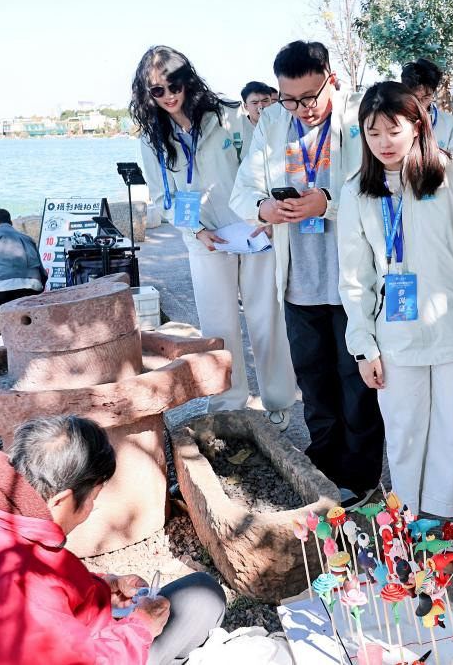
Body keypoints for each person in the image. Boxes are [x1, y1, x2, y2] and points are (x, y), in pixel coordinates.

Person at [0, 415, 226, 665]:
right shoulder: (17, 589)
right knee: (202, 601)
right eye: (93, 497)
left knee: (199, 595)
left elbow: (46, 596)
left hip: (45, 642)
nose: (92, 507)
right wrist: (140, 628)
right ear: (61, 500)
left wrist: (102, 590)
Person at [230, 40, 382, 508]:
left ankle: (361, 477)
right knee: (314, 382)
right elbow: (244, 188)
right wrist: (264, 207)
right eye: (289, 99)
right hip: (299, 279)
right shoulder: (273, 122)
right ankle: (324, 467)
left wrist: (327, 202)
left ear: (331, 80)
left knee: (356, 383)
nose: (301, 109)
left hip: (349, 277)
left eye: (309, 97)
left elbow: (378, 182)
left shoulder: (360, 116)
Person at [337, 82, 453, 517]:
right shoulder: (356, 192)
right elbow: (354, 279)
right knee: (404, 435)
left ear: (417, 125)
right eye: (373, 133)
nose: (384, 143)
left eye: (394, 130)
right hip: (395, 338)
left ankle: (448, 529)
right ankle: (407, 528)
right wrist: (363, 346)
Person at [134, 45, 297, 421]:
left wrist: (264, 216)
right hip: (204, 240)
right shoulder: (151, 137)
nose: (168, 95)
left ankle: (279, 401)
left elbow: (260, 168)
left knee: (266, 319)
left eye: (174, 85)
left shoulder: (228, 115)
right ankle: (226, 403)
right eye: (157, 90)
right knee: (218, 326)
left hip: (253, 233)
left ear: (187, 80)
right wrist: (195, 231)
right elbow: (162, 196)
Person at [0, 208, 46, 309]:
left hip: (5, 291)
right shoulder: (28, 238)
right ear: (11, 222)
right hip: (34, 289)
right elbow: (43, 274)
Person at [400, 58, 453, 150]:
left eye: (426, 97)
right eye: (415, 98)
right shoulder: (394, 121)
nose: (420, 105)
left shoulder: (450, 123)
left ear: (433, 93)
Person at [236, 80, 277, 161]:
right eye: (254, 103)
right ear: (246, 106)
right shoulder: (239, 133)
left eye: (265, 101)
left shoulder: (283, 127)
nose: (261, 106)